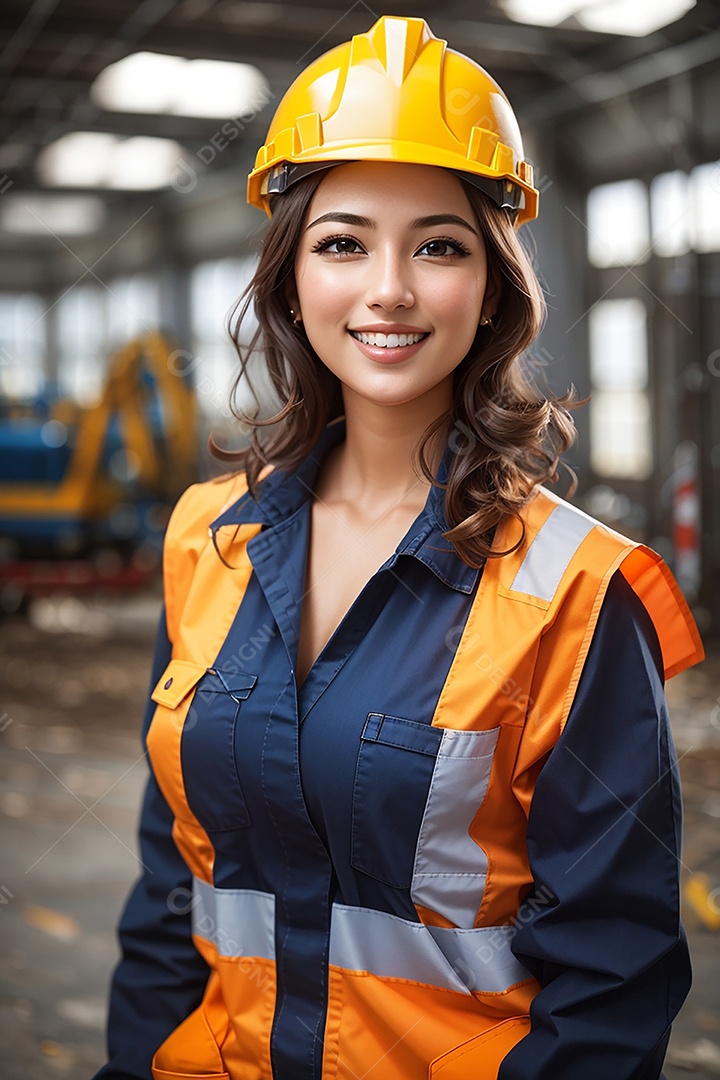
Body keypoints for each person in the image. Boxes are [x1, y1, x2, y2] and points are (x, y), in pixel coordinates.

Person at [93, 15, 705, 1080]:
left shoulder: (580, 594)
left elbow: (612, 982)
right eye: (343, 242)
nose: (390, 287)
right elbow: (169, 898)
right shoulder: (206, 540)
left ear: (492, 286)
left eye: (439, 243)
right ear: (290, 278)